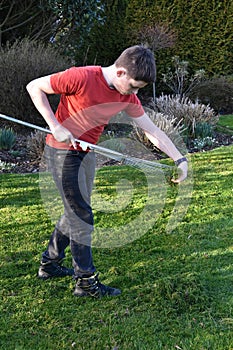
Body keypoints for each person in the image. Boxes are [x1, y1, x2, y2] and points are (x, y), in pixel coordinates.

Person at [26, 45, 188, 298]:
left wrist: (179, 159)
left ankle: (49, 264)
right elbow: (34, 86)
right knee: (81, 215)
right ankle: (85, 283)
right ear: (121, 72)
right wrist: (55, 125)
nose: (134, 93)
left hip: (86, 153)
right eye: (134, 86)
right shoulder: (81, 76)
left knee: (75, 211)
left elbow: (151, 130)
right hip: (62, 152)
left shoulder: (127, 97)